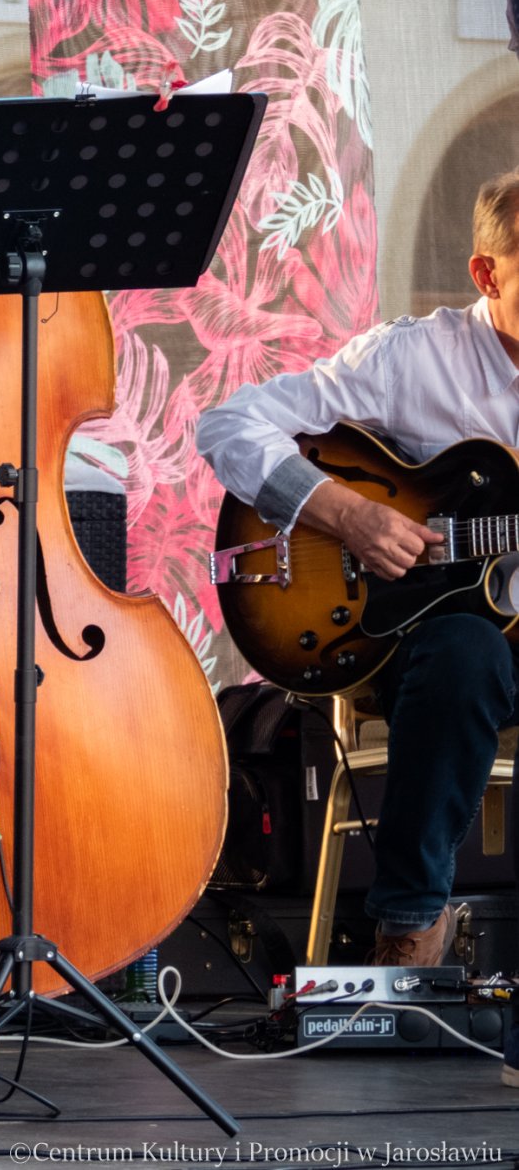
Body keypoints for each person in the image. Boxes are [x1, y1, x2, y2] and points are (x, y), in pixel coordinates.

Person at [197, 171, 519, 1070]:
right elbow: (231, 424)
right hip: (402, 640)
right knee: (463, 651)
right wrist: (348, 515)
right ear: (487, 275)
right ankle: (408, 933)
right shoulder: (417, 359)